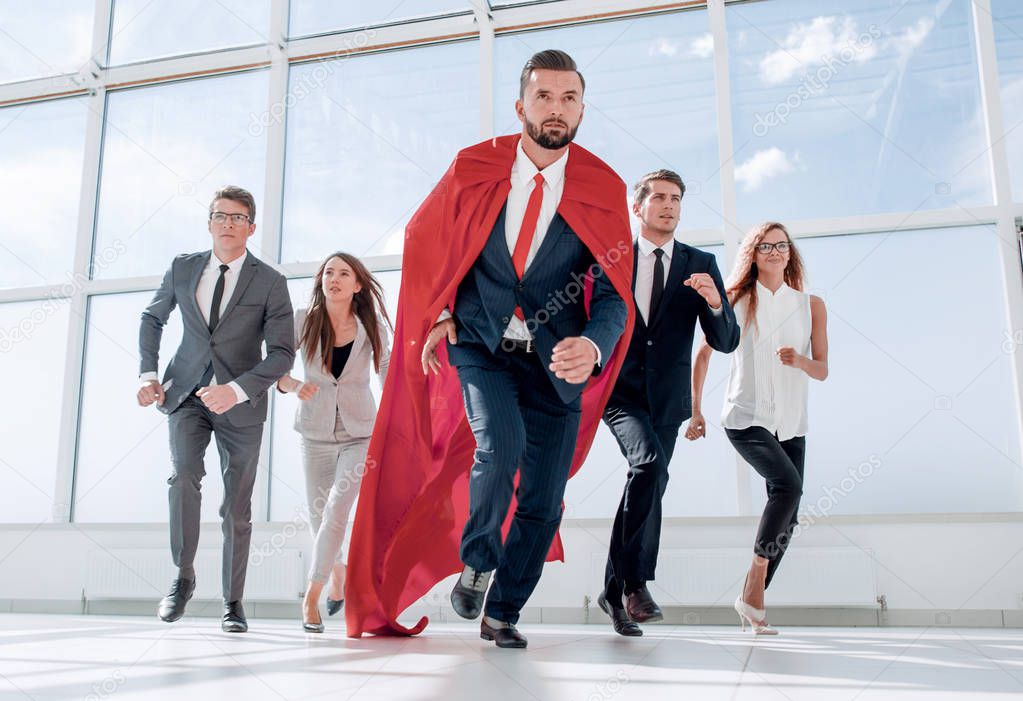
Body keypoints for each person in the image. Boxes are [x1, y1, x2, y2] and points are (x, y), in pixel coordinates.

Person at [344, 49, 635, 648]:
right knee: (497, 450)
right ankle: (478, 559)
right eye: (544, 97)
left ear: (583, 107)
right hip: (481, 344)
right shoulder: (474, 168)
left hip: (556, 363)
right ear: (520, 105)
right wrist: (441, 312)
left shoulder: (603, 187)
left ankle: (503, 609)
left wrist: (594, 343)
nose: (556, 110)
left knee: (544, 501)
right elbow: (431, 243)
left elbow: (614, 293)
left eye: (569, 99)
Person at [137, 186, 295, 633]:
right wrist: (148, 374)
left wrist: (239, 390)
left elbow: (282, 353)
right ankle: (183, 578)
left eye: (238, 217)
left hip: (241, 405)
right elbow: (152, 318)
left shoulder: (271, 281)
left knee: (236, 507)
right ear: (209, 222)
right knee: (183, 477)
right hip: (184, 394)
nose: (228, 223)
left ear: (252, 226)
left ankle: (233, 602)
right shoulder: (183, 267)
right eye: (221, 215)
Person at [597, 169, 739, 636]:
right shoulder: (612, 258)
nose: (669, 205)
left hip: (668, 400)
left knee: (648, 479)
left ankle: (612, 593)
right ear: (637, 207)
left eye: (676, 198)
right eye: (658, 197)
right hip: (619, 394)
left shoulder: (701, 263)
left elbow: (726, 341)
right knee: (650, 467)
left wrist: (716, 303)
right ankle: (634, 584)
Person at [687, 221, 829, 635]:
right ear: (753, 253)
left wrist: (800, 362)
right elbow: (703, 356)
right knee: (788, 487)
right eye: (765, 246)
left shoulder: (811, 305)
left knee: (791, 514)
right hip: (745, 417)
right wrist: (696, 411)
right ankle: (755, 581)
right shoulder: (737, 300)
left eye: (781, 245)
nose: (774, 251)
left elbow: (822, 369)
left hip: (792, 422)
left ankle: (752, 599)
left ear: (790, 253)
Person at [275, 252, 391, 633]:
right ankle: (337, 573)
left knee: (337, 510)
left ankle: (311, 594)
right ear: (321, 280)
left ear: (357, 285)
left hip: (360, 434)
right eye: (329, 272)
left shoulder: (369, 325)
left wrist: (399, 417)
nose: (335, 279)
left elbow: (388, 372)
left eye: (344, 273)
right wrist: (291, 384)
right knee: (317, 516)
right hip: (314, 433)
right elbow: (275, 365)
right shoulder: (303, 321)